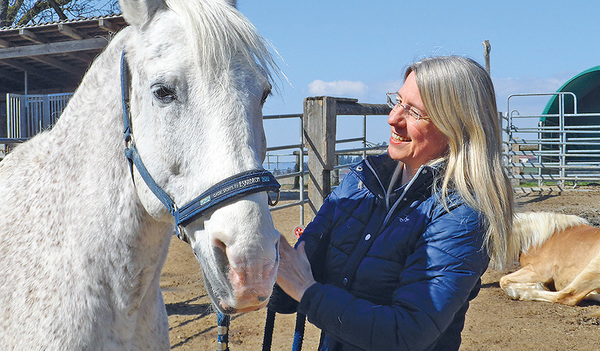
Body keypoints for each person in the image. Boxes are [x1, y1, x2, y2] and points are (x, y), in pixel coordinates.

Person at [269, 55, 515, 351]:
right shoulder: (361, 181)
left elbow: (407, 333)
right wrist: (266, 268)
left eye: (414, 113)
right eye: (398, 101)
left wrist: (307, 292)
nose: (393, 118)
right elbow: (296, 277)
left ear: (458, 127)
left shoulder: (463, 214)